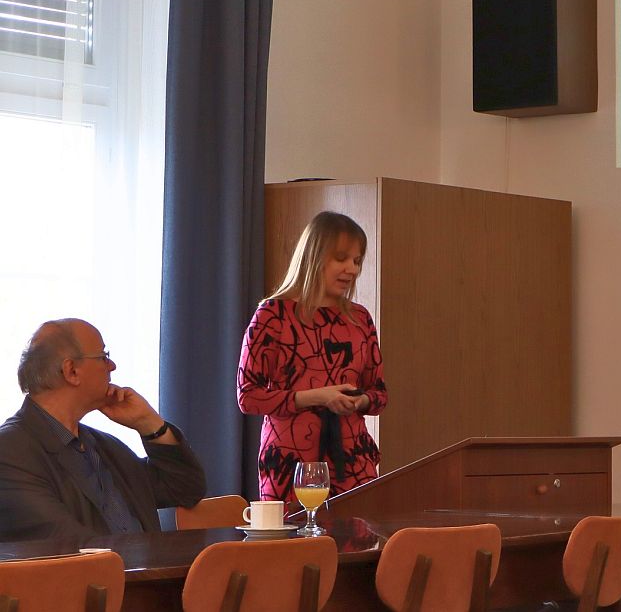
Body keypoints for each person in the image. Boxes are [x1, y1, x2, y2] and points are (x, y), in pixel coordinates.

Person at [0, 319, 207, 541]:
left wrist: (149, 425)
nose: (112, 366)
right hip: (93, 575)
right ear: (71, 371)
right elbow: (65, 544)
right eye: (103, 356)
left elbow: (185, 489)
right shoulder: (10, 451)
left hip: (147, 573)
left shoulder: (103, 445)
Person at [237, 211, 387, 506]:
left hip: (353, 462)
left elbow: (380, 394)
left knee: (357, 548)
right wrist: (318, 397)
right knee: (295, 551)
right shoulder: (271, 315)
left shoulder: (360, 318)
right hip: (290, 465)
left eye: (357, 261)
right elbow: (248, 397)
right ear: (313, 256)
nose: (352, 269)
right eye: (341, 258)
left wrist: (360, 401)